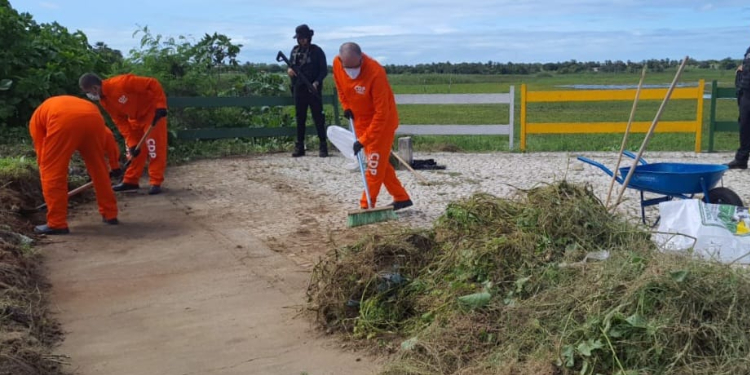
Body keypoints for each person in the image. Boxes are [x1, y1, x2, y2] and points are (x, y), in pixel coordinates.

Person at [332, 42, 413, 210]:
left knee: (374, 165)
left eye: (355, 67)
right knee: (380, 163)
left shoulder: (376, 73)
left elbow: (381, 114)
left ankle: (366, 206)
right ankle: (401, 197)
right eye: (348, 67)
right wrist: (346, 106)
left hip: (382, 125)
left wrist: (364, 140)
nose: (351, 72)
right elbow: (340, 87)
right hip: (360, 121)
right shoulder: (337, 64)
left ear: (362, 59)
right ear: (341, 61)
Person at [28, 95, 120, 235]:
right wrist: (114, 166)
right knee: (99, 168)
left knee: (52, 172)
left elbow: (43, 154)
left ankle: (57, 223)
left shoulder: (36, 121)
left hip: (63, 120)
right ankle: (110, 214)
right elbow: (108, 137)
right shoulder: (80, 107)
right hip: (94, 118)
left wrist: (44, 167)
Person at [78, 72, 168, 194]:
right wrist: (131, 143)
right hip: (134, 118)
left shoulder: (122, 83)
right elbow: (120, 122)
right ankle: (131, 181)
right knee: (134, 151)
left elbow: (152, 83)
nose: (89, 95)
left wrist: (160, 105)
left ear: (95, 87)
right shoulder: (105, 101)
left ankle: (155, 182)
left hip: (152, 113)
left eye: (88, 92)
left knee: (154, 148)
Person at [287, 24, 328, 157]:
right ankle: (299, 146)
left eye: (304, 38)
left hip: (314, 89)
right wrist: (290, 71)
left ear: (309, 37)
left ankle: (323, 145)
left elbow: (323, 71)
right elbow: (291, 66)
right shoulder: (294, 51)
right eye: (300, 38)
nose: (302, 40)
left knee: (318, 117)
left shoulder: (317, 51)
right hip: (299, 89)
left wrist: (316, 82)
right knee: (300, 118)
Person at [727, 45, 750, 169]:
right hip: (746, 93)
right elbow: (745, 66)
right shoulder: (749, 50)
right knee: (744, 126)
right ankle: (741, 160)